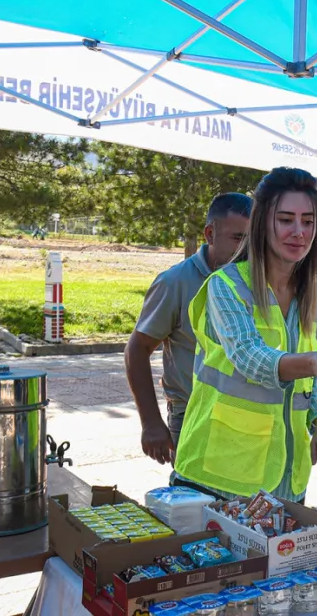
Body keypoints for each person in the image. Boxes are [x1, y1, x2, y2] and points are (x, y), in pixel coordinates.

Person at [172, 167, 317, 503]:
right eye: (286, 219)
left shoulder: (312, 296)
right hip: (218, 478)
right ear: (263, 224)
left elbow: (309, 382)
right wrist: (313, 364)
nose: (298, 232)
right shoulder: (227, 285)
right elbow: (250, 358)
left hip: (286, 482)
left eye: (308, 222)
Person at [126, 193, 251, 467]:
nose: (246, 250)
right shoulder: (176, 282)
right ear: (209, 233)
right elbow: (137, 350)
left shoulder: (253, 280)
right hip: (193, 419)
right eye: (238, 238)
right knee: (194, 507)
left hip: (246, 421)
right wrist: (151, 423)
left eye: (253, 241)